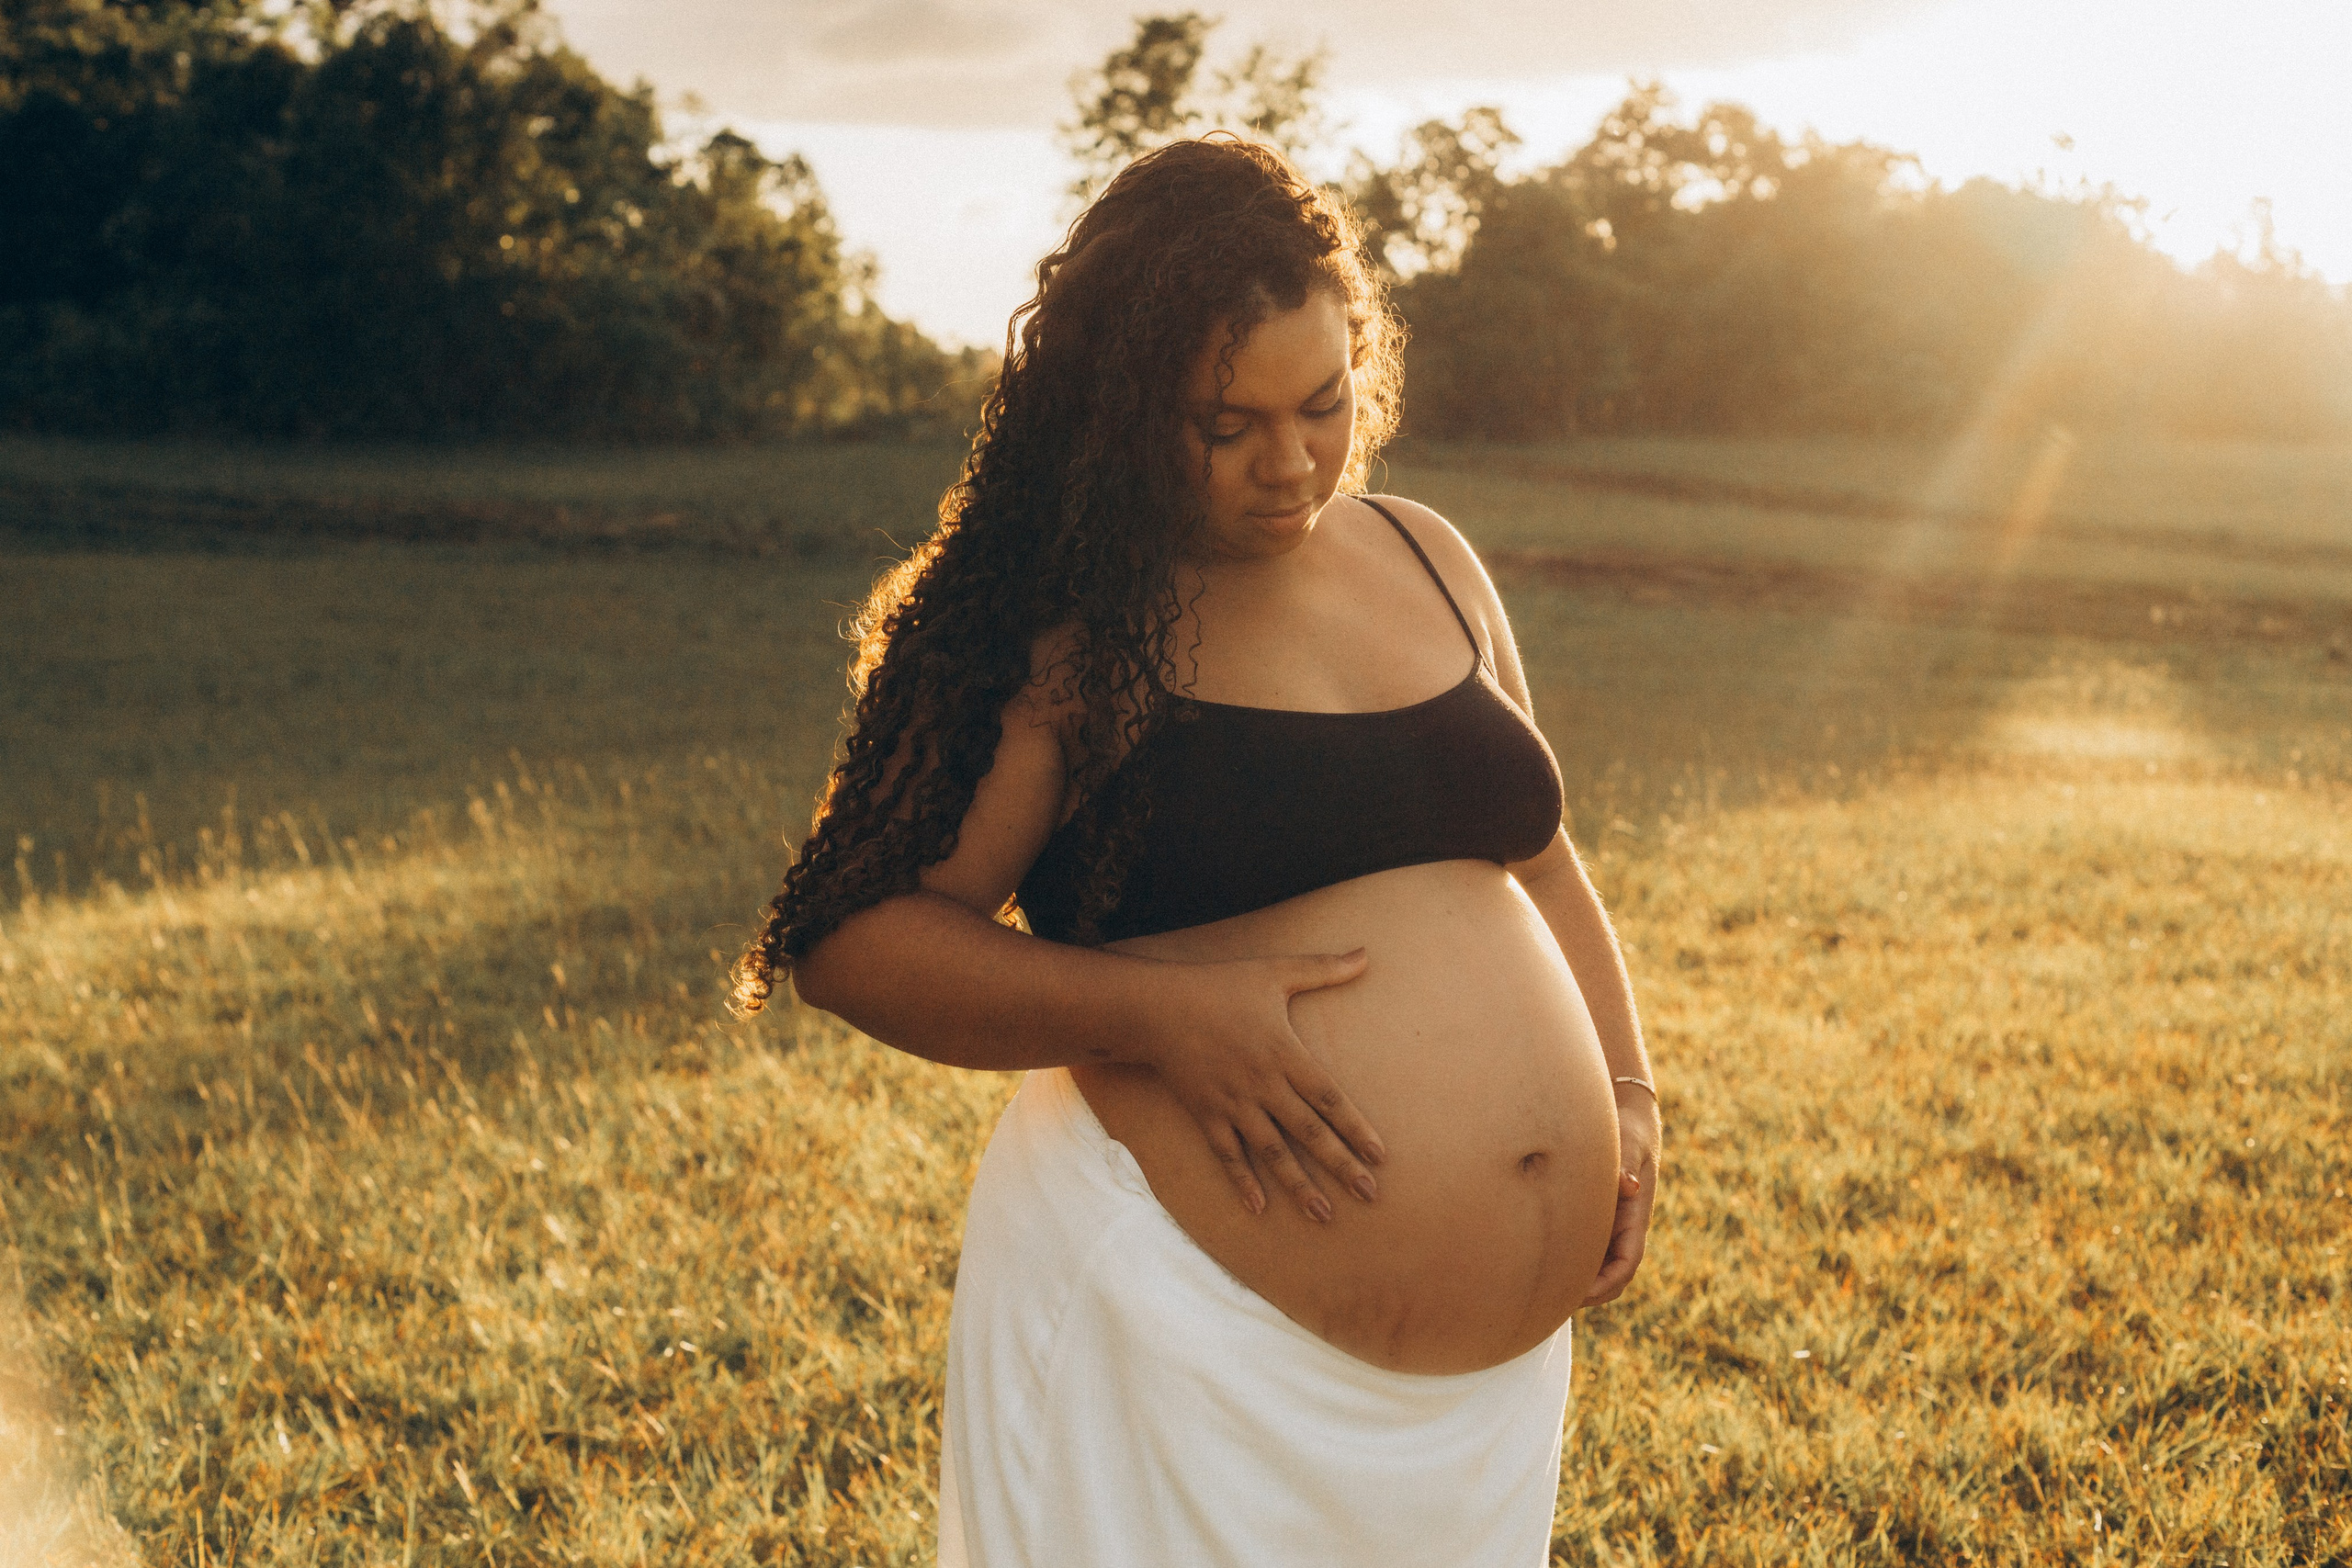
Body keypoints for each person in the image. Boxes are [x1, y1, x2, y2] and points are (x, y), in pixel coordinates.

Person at [733, 135, 1660, 1568]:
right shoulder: (1055, 626)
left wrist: (1627, 1092)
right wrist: (1160, 1016)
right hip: (1185, 1349)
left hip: (1479, 1409)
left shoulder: (1425, 554)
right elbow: (858, 942)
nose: (1288, 463)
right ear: (1118, 407)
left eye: (1324, 406)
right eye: (1223, 424)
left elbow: (1537, 860)